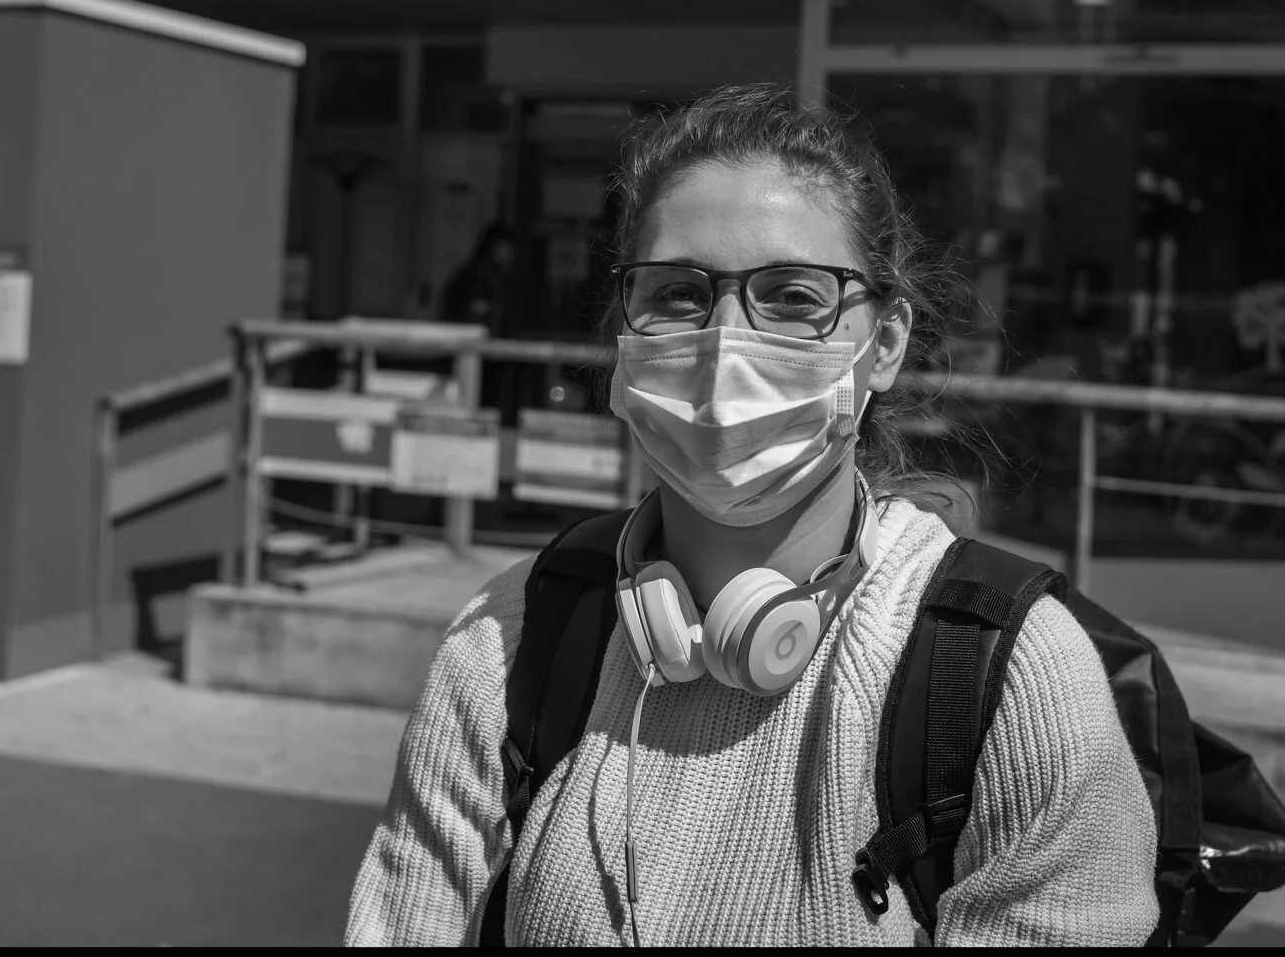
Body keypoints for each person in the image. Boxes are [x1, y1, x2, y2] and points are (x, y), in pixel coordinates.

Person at [346, 84, 1159, 946]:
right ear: (622, 332)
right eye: (676, 293)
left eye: (794, 296)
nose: (725, 339)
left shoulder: (1010, 677)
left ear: (882, 345)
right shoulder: (507, 642)